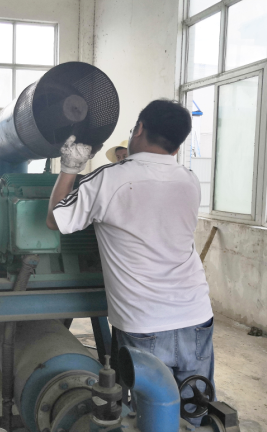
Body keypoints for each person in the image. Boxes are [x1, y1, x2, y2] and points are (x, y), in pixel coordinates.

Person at [46, 100, 214, 425]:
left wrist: (69, 167)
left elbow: (55, 219)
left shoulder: (109, 179)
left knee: (145, 417)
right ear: (178, 144)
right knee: (195, 410)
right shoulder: (190, 180)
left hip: (143, 322)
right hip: (196, 315)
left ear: (139, 129)